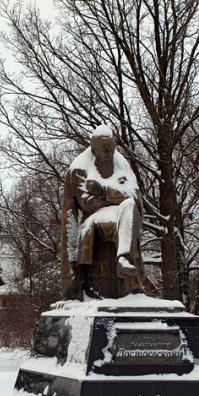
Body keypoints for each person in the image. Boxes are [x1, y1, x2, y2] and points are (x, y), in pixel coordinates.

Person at [60, 124, 144, 299]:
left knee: (129, 206)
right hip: (94, 221)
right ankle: (122, 265)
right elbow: (88, 204)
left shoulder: (121, 163)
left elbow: (135, 196)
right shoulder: (79, 168)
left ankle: (123, 259)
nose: (109, 154)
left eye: (111, 149)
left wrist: (104, 191)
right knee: (127, 205)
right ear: (94, 149)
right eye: (105, 150)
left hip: (124, 216)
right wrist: (71, 273)